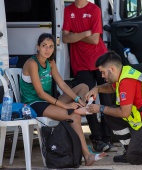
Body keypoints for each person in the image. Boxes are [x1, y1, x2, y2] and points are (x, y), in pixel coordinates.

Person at [19, 33, 107, 166]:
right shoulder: (32, 63)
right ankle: (87, 155)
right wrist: (65, 106)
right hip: (34, 104)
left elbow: (62, 84)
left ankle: (80, 106)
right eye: (44, 46)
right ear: (38, 47)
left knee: (83, 86)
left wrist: (77, 99)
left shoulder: (50, 62)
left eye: (51, 46)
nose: (47, 50)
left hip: (48, 102)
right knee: (74, 117)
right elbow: (40, 93)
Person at [84, 51, 142, 165]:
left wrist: (100, 108)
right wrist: (97, 88)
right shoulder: (124, 73)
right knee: (110, 115)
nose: (102, 76)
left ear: (112, 69)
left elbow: (125, 113)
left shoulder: (126, 81)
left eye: (103, 72)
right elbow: (112, 88)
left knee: (134, 157)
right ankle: (130, 149)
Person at [62, 0, 117, 152]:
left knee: (106, 99)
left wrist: (75, 35)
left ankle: (108, 138)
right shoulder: (68, 10)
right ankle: (97, 139)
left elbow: (94, 39)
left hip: (100, 61)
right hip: (80, 63)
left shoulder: (94, 9)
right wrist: (85, 33)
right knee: (87, 100)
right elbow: (65, 37)